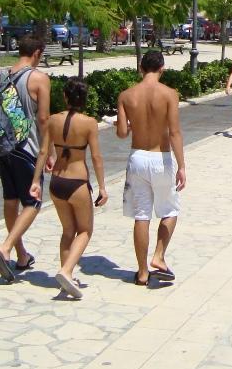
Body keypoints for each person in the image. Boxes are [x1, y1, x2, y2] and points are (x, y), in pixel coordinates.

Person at [29, 78, 108, 300]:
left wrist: (36, 181)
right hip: (77, 182)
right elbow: (96, 157)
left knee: (67, 231)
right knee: (85, 231)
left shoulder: (53, 120)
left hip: (57, 183)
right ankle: (66, 271)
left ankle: (67, 277)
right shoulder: (89, 123)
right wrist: (102, 187)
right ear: (84, 99)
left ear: (65, 97)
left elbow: (43, 152)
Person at [116, 50, 187, 286]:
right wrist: (182, 166)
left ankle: (142, 271)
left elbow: (122, 133)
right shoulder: (169, 94)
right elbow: (175, 131)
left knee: (141, 215)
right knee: (170, 210)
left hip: (137, 156)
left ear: (140, 68)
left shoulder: (126, 95)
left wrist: (122, 122)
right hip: (161, 156)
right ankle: (158, 255)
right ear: (162, 68)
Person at [0, 35, 51, 283]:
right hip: (28, 148)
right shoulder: (39, 79)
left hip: (4, 147)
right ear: (37, 52)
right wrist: (51, 151)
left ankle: (21, 254)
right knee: (33, 202)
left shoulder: (4, 76)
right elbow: (44, 119)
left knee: (10, 199)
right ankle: (5, 247)